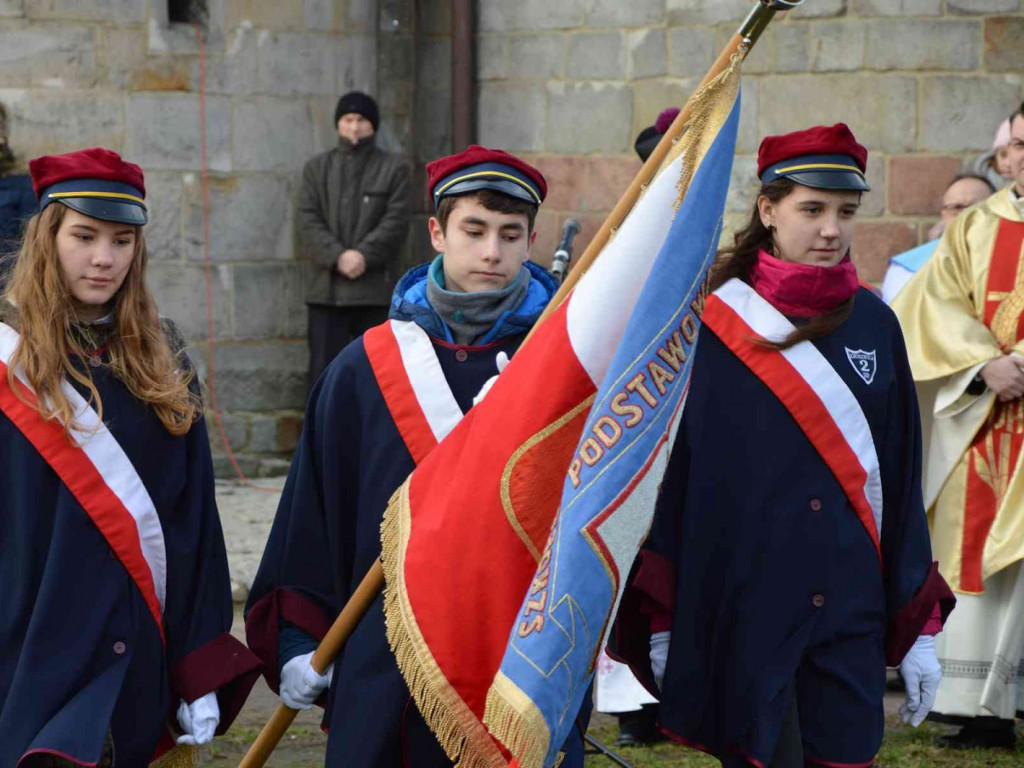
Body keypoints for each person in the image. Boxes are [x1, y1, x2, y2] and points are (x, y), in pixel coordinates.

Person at [611, 124, 955, 768]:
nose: (831, 229)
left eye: (846, 212)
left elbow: (900, 475)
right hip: (744, 603)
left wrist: (917, 627)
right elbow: (672, 478)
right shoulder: (711, 320)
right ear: (768, 211)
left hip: (849, 604)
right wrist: (662, 613)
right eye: (812, 210)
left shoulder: (876, 323)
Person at [246, 146, 592, 766]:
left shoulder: (563, 368)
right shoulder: (363, 369)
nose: (492, 252)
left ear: (532, 238)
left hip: (518, 660)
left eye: (511, 235)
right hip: (387, 669)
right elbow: (314, 514)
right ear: (437, 232)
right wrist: (299, 637)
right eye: (474, 230)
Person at [0, 148, 260, 765]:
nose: (103, 258)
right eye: (84, 236)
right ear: (47, 236)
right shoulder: (8, 363)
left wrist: (199, 662)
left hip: (142, 660)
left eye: (122, 241)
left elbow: (194, 522)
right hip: (31, 658)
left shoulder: (163, 360)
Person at [891, 101, 1024, 749]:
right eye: (1019, 146)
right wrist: (984, 365)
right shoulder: (973, 227)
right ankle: (978, 709)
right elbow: (929, 310)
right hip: (983, 417)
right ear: (1003, 157)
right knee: (972, 555)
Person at [296, 90, 411, 388]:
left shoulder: (394, 168)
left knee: (375, 377)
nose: (354, 126)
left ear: (373, 125)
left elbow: (396, 220)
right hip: (327, 293)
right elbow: (307, 220)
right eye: (348, 119)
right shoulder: (317, 169)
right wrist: (338, 256)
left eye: (361, 119)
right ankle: (322, 435)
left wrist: (363, 255)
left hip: (374, 293)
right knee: (322, 376)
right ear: (338, 124)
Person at [881, 173, 994, 304]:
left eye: (976, 208)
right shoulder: (905, 269)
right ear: (944, 215)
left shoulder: (1015, 258)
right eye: (956, 208)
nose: (965, 215)